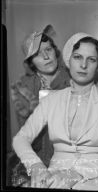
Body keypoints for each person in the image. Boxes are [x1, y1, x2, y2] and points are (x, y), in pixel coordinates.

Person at [12, 32, 98, 190]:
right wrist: (35, 165)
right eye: (77, 57)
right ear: (68, 60)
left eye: (91, 59)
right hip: (53, 175)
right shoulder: (51, 100)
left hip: (95, 176)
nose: (83, 65)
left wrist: (75, 174)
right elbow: (20, 139)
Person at [11, 25, 70, 167]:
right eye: (37, 54)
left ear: (55, 51)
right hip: (38, 156)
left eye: (48, 49)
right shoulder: (24, 87)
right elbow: (26, 136)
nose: (46, 56)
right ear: (31, 62)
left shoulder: (73, 77)